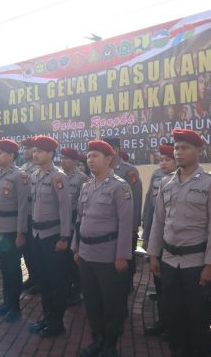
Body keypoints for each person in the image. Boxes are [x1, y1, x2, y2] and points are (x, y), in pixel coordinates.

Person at [148, 129, 211, 357]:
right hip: (170, 262)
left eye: (185, 148)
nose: (179, 152)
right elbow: (158, 221)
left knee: (198, 320)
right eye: (176, 148)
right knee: (173, 317)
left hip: (197, 264)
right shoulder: (166, 183)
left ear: (199, 151)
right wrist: (154, 254)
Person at [73, 140, 134, 357]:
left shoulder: (120, 186)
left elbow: (127, 225)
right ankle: (97, 340)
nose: (90, 160)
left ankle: (110, 346)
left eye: (95, 155)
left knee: (112, 304)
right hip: (86, 254)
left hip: (108, 255)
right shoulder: (87, 185)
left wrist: (122, 256)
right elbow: (80, 219)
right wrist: (76, 247)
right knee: (91, 302)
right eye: (88, 156)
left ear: (109, 159)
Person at [27, 135, 72, 338]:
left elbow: (65, 209)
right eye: (34, 150)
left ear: (51, 154)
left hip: (53, 236)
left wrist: (64, 237)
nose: (35, 154)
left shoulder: (58, 176)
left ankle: (57, 322)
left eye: (40, 151)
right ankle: (47, 317)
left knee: (57, 281)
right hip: (37, 234)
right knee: (44, 280)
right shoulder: (35, 175)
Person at [0, 139, 29, 322]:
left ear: (11, 155)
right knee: (4, 268)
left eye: (1, 153)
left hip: (12, 230)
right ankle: (6, 302)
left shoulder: (19, 176)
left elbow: (23, 207)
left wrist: (21, 233)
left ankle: (15, 306)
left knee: (13, 268)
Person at [142, 143, 176, 337]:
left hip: (174, 241)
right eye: (161, 159)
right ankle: (163, 321)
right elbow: (149, 206)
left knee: (173, 287)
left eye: (167, 159)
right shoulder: (156, 176)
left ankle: (174, 324)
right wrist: (146, 236)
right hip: (157, 239)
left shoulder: (183, 179)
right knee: (160, 283)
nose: (163, 163)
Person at [107, 138, 143, 293]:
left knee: (127, 259)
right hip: (109, 227)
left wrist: (133, 228)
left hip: (126, 226)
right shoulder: (101, 169)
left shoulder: (129, 171)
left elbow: (135, 198)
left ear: (114, 150)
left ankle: (127, 284)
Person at [60, 147, 89, 306]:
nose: (62, 160)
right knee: (62, 261)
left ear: (75, 161)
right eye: (62, 157)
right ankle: (67, 288)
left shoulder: (82, 178)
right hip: (60, 225)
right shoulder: (58, 176)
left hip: (73, 225)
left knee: (73, 261)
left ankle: (76, 290)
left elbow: (81, 206)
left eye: (66, 158)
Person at [20, 136, 41, 294]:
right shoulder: (24, 167)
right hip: (26, 214)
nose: (25, 151)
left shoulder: (39, 168)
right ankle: (32, 277)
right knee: (27, 249)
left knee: (36, 251)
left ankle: (39, 280)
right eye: (25, 149)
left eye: (28, 148)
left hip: (37, 215)